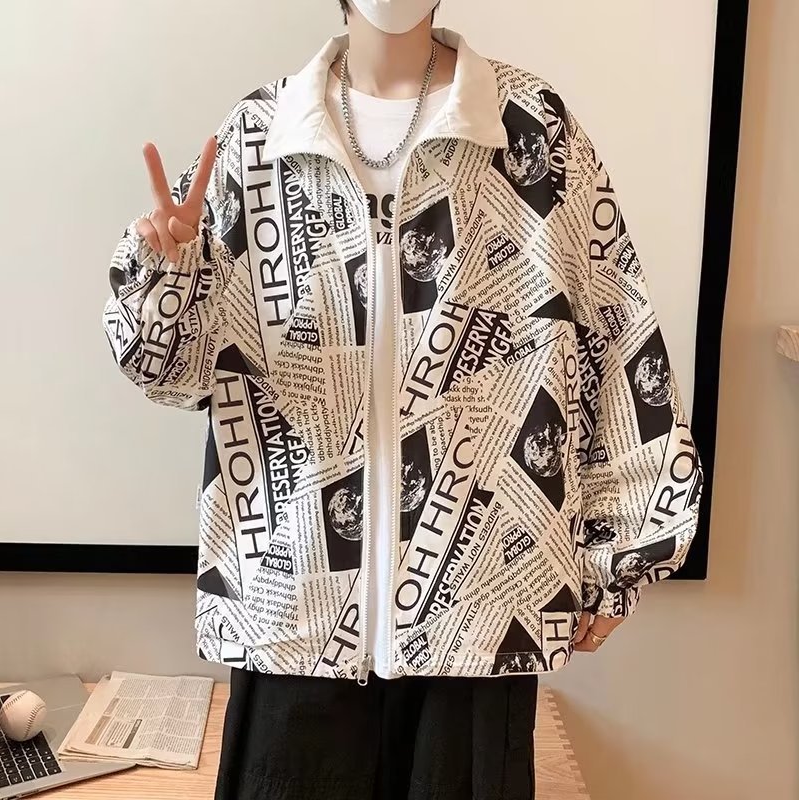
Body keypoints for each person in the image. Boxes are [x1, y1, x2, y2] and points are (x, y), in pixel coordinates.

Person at [101, 1, 704, 798]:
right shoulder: (258, 135)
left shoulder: (532, 130)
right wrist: (169, 280)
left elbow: (618, 335)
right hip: (293, 616)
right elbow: (172, 374)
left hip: (479, 616)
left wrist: (623, 551)